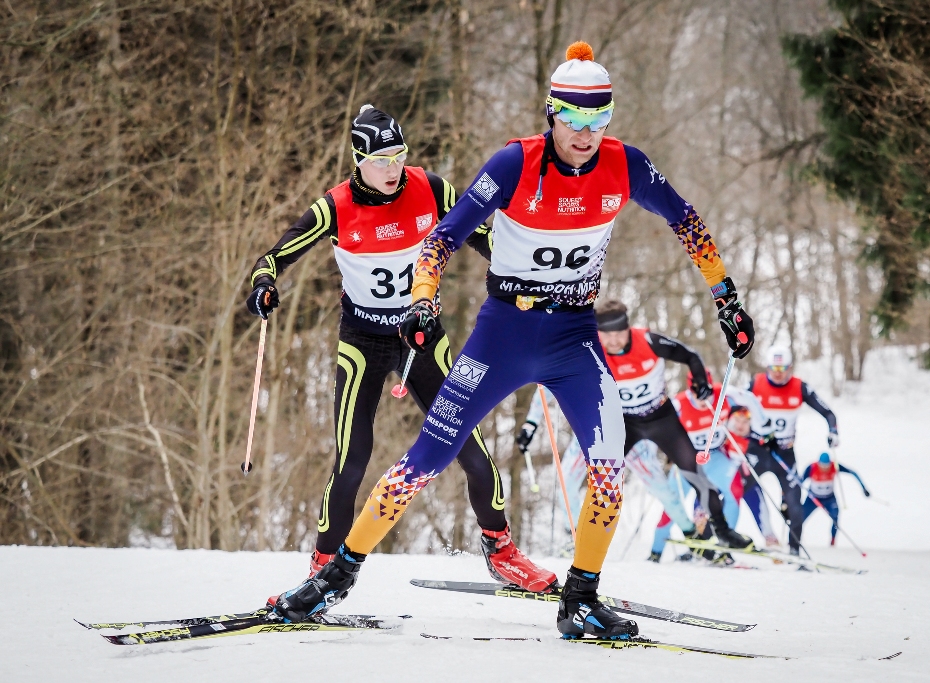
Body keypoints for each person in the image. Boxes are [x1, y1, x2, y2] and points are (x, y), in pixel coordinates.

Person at [268, 41, 756, 641]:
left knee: (608, 468)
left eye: (599, 119)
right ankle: (334, 577)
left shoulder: (624, 164)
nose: (586, 132)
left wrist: (726, 298)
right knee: (427, 457)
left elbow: (687, 221)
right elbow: (441, 240)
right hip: (503, 332)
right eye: (574, 118)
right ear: (552, 113)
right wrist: (423, 299)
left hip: (575, 337)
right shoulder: (513, 163)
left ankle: (580, 598)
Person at [246, 104, 554, 596]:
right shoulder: (336, 205)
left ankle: (502, 552)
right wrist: (264, 283)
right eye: (381, 159)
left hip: (423, 337)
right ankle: (324, 570)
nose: (392, 169)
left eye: (398, 156)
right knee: (352, 460)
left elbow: (484, 237)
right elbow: (275, 255)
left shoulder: (431, 189)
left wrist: (539, 279)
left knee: (469, 446)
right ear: (358, 158)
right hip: (363, 342)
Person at [595, 300, 752, 549]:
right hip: (625, 423)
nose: (613, 341)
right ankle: (589, 538)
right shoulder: (591, 347)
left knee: (696, 475)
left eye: (618, 334)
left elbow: (690, 356)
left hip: (661, 418)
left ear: (628, 328)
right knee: (602, 478)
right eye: (606, 335)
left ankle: (722, 531)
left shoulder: (648, 340)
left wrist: (701, 382)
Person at [514, 387, 695, 559]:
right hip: (589, 434)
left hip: (629, 434)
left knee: (661, 488)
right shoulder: (575, 358)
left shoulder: (616, 358)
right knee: (565, 483)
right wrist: (530, 425)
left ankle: (692, 535)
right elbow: (544, 387)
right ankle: (577, 538)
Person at [746, 344, 839, 555]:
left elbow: (828, 412)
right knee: (735, 490)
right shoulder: (755, 383)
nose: (778, 374)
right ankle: (720, 538)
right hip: (758, 449)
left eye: (783, 369)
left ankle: (794, 549)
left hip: (784, 453)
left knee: (794, 504)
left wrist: (833, 431)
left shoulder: (800, 387)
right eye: (773, 369)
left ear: (790, 368)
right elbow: (730, 403)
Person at [672, 369, 769, 531]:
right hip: (691, 457)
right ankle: (692, 535)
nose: (703, 399)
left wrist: (763, 425)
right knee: (681, 495)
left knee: (735, 490)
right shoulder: (680, 403)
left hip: (721, 460)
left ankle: (729, 536)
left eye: (707, 393)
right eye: (697, 393)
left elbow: (749, 400)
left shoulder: (725, 396)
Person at [721, 406, 779, 546]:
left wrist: (769, 444)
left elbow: (765, 462)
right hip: (728, 483)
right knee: (718, 506)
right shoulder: (725, 435)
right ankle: (717, 537)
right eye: (737, 421)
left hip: (748, 483)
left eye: (745, 422)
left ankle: (771, 541)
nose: (740, 426)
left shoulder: (755, 440)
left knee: (761, 509)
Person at [801, 453, 869, 545]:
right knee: (800, 518)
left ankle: (833, 541)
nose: (825, 469)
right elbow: (799, 481)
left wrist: (863, 487)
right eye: (822, 466)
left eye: (827, 466)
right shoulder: (812, 467)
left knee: (835, 517)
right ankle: (793, 540)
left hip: (829, 498)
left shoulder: (835, 466)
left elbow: (853, 472)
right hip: (813, 498)